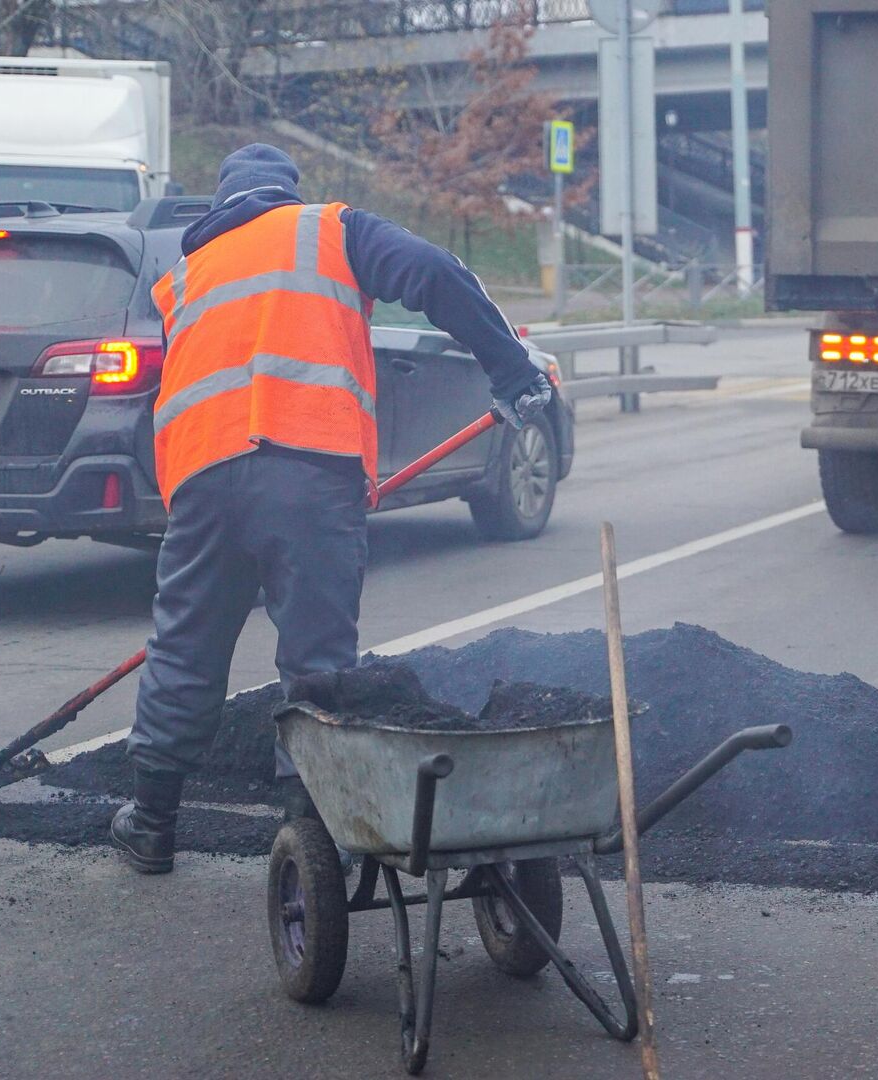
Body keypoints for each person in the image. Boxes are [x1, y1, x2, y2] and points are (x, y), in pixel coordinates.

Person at [110, 144, 554, 873]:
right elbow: (436, 274)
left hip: (200, 477)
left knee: (185, 645)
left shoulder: (181, 276)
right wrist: (509, 367)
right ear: (288, 193)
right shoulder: (331, 229)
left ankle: (152, 822)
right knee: (316, 657)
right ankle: (308, 830)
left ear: (222, 203)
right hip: (305, 470)